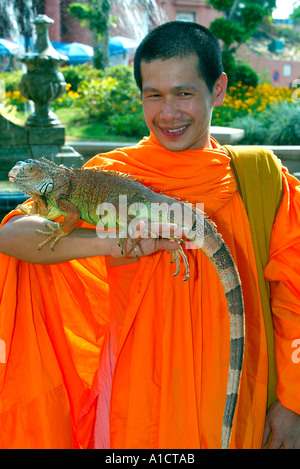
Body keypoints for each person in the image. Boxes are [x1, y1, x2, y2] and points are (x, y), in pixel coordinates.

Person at [0, 21, 300, 449]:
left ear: (218, 89)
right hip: (132, 391)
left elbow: (294, 290)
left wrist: (294, 403)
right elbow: (11, 236)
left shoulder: (261, 178)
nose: (168, 112)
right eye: (153, 95)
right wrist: (110, 242)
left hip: (234, 387)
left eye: (184, 93)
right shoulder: (109, 174)